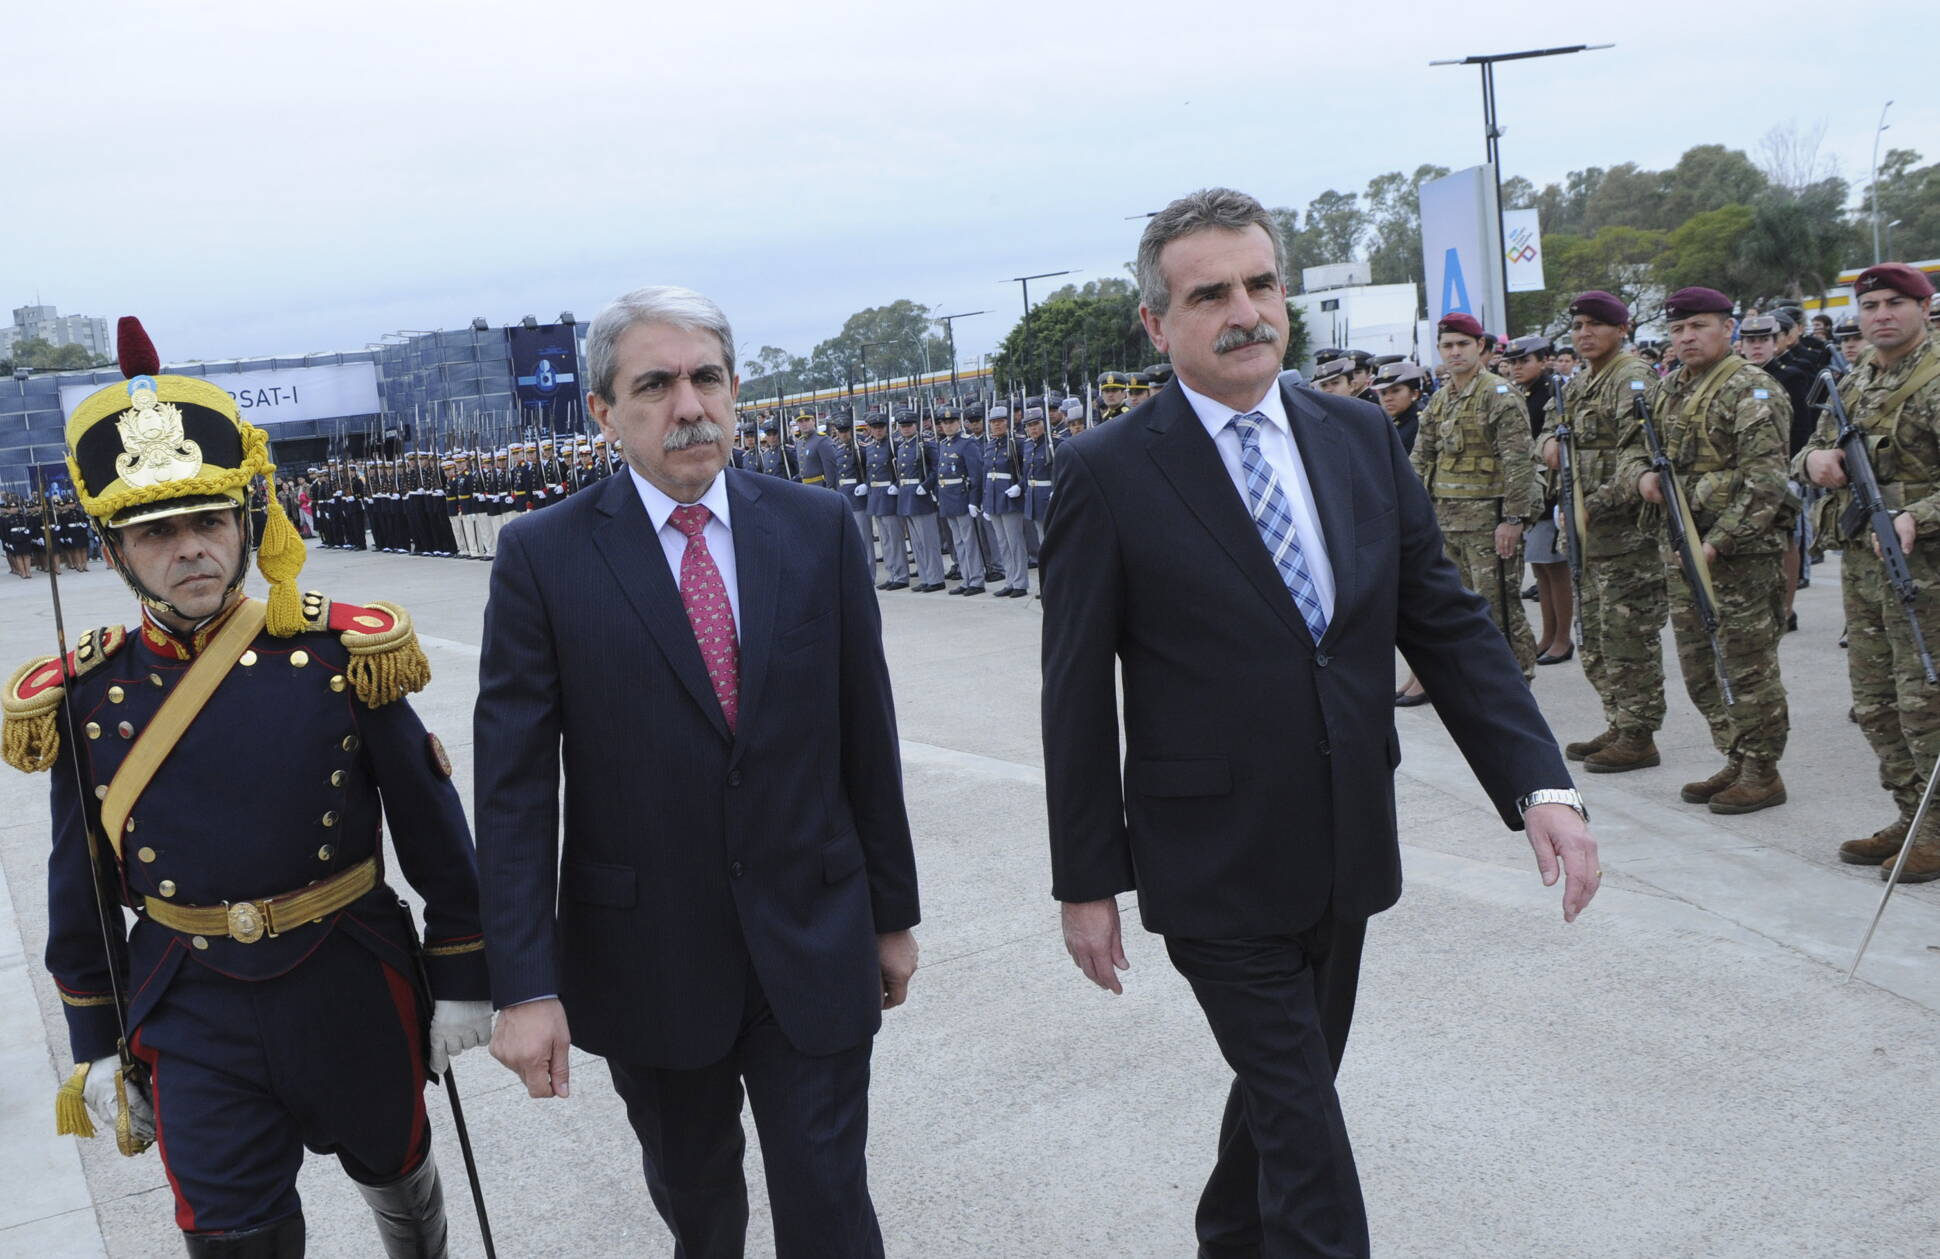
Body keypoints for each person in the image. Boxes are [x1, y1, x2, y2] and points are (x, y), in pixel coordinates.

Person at [1041, 188, 1599, 1259]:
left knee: (1280, 1099)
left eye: (1259, 283)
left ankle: (1226, 1239)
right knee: (1303, 1125)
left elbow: (1443, 625)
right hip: (1209, 862)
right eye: (1209, 294)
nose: (1243, 310)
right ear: (1156, 326)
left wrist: (1541, 786)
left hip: (1342, 841)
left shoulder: (1352, 436)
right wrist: (1084, 880)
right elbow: (1072, 695)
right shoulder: (1106, 473)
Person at [2, 317, 492, 1257]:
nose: (188, 549)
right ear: (116, 550)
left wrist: (465, 968)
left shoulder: (337, 650)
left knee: (399, 1176)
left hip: (346, 970)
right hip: (191, 1000)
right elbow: (84, 875)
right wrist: (95, 1035)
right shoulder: (87, 691)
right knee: (233, 1235)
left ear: (245, 520)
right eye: (156, 532)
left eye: (208, 521)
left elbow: (432, 824)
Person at [474, 285, 921, 1259]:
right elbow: (513, 787)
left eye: (706, 378)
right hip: (648, 959)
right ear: (604, 412)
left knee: (829, 1202)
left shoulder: (815, 529)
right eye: (656, 384)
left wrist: (891, 911)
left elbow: (863, 733)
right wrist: (523, 982)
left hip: (812, 931)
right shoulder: (542, 557)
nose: (688, 405)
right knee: (700, 1206)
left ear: (732, 387)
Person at [1618, 286, 1793, 813]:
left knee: (1747, 665)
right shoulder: (1668, 390)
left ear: (1727, 329)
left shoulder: (1751, 389)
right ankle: (1736, 755)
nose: (1687, 337)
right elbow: (1632, 452)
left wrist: (1718, 542)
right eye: (1678, 329)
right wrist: (1642, 478)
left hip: (1739, 554)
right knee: (1699, 665)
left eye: (1698, 326)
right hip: (1680, 548)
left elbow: (1766, 483)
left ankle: (1763, 770)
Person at [1800, 264, 1940, 879]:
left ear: (1922, 308)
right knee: (1877, 704)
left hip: (1926, 571)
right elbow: (1808, 448)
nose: (1881, 314)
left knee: (1924, 704)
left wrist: (1918, 515)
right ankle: (1914, 814)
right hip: (1863, 567)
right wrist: (1815, 462)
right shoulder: (1854, 381)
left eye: (1895, 303)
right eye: (1870, 304)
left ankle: (1937, 829)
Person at [1538, 291, 1667, 773]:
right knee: (1595, 635)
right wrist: (1548, 441)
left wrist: (1590, 505)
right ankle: (1618, 720)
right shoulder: (1580, 381)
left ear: (1621, 329)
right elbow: (1551, 429)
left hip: (1624, 536)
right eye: (1578, 326)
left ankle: (1638, 734)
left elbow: (1640, 457)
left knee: (1628, 637)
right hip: (1588, 536)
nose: (1584, 334)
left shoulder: (1632, 378)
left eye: (1596, 325)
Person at [1413, 313, 1543, 680]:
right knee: (1462, 610)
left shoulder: (1498, 394)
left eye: (1462, 345)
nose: (1455, 353)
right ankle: (1485, 682)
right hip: (1448, 524)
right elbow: (1421, 459)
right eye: (1447, 346)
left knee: (1500, 610)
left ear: (1480, 347)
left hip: (1490, 526)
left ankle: (1519, 681)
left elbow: (1519, 462)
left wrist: (1513, 520)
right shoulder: (1441, 399)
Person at [1501, 336, 1573, 664]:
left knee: (1555, 567)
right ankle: (1547, 634)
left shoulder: (1552, 392)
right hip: (1530, 492)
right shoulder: (1517, 392)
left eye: (1524, 361)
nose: (1517, 367)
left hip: (1550, 489)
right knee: (1540, 568)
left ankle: (1562, 638)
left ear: (1543, 361)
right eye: (1513, 362)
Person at [935, 407, 987, 595]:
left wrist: (974, 500)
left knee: (969, 541)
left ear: (959, 423)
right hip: (948, 498)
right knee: (958, 542)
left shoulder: (967, 444)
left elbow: (976, 475)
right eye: (944, 423)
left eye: (951, 422)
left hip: (963, 498)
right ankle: (966, 578)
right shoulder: (944, 445)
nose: (948, 426)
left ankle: (976, 580)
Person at [980, 404, 1030, 597]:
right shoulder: (990, 444)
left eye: (1000, 421)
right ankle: (1010, 580)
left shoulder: (1017, 442)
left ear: (1007, 422)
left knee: (1015, 542)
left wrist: (1020, 486)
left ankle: (1020, 582)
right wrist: (985, 501)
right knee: (1002, 543)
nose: (996, 425)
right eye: (993, 422)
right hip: (994, 499)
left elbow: (1027, 470)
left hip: (1010, 498)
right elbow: (986, 473)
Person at [892, 411, 945, 591]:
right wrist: (897, 485)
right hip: (906, 495)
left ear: (916, 425)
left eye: (909, 425)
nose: (905, 429)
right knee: (916, 542)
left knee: (928, 540)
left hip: (921, 496)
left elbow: (937, 468)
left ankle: (936, 578)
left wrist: (927, 485)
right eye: (902, 426)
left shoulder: (925, 445)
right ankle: (925, 577)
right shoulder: (901, 447)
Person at [1371, 360, 1424, 453]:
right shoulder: (1384, 421)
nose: (1387, 398)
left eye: (1395, 391)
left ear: (1414, 394)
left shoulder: (1420, 423)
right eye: (1383, 393)